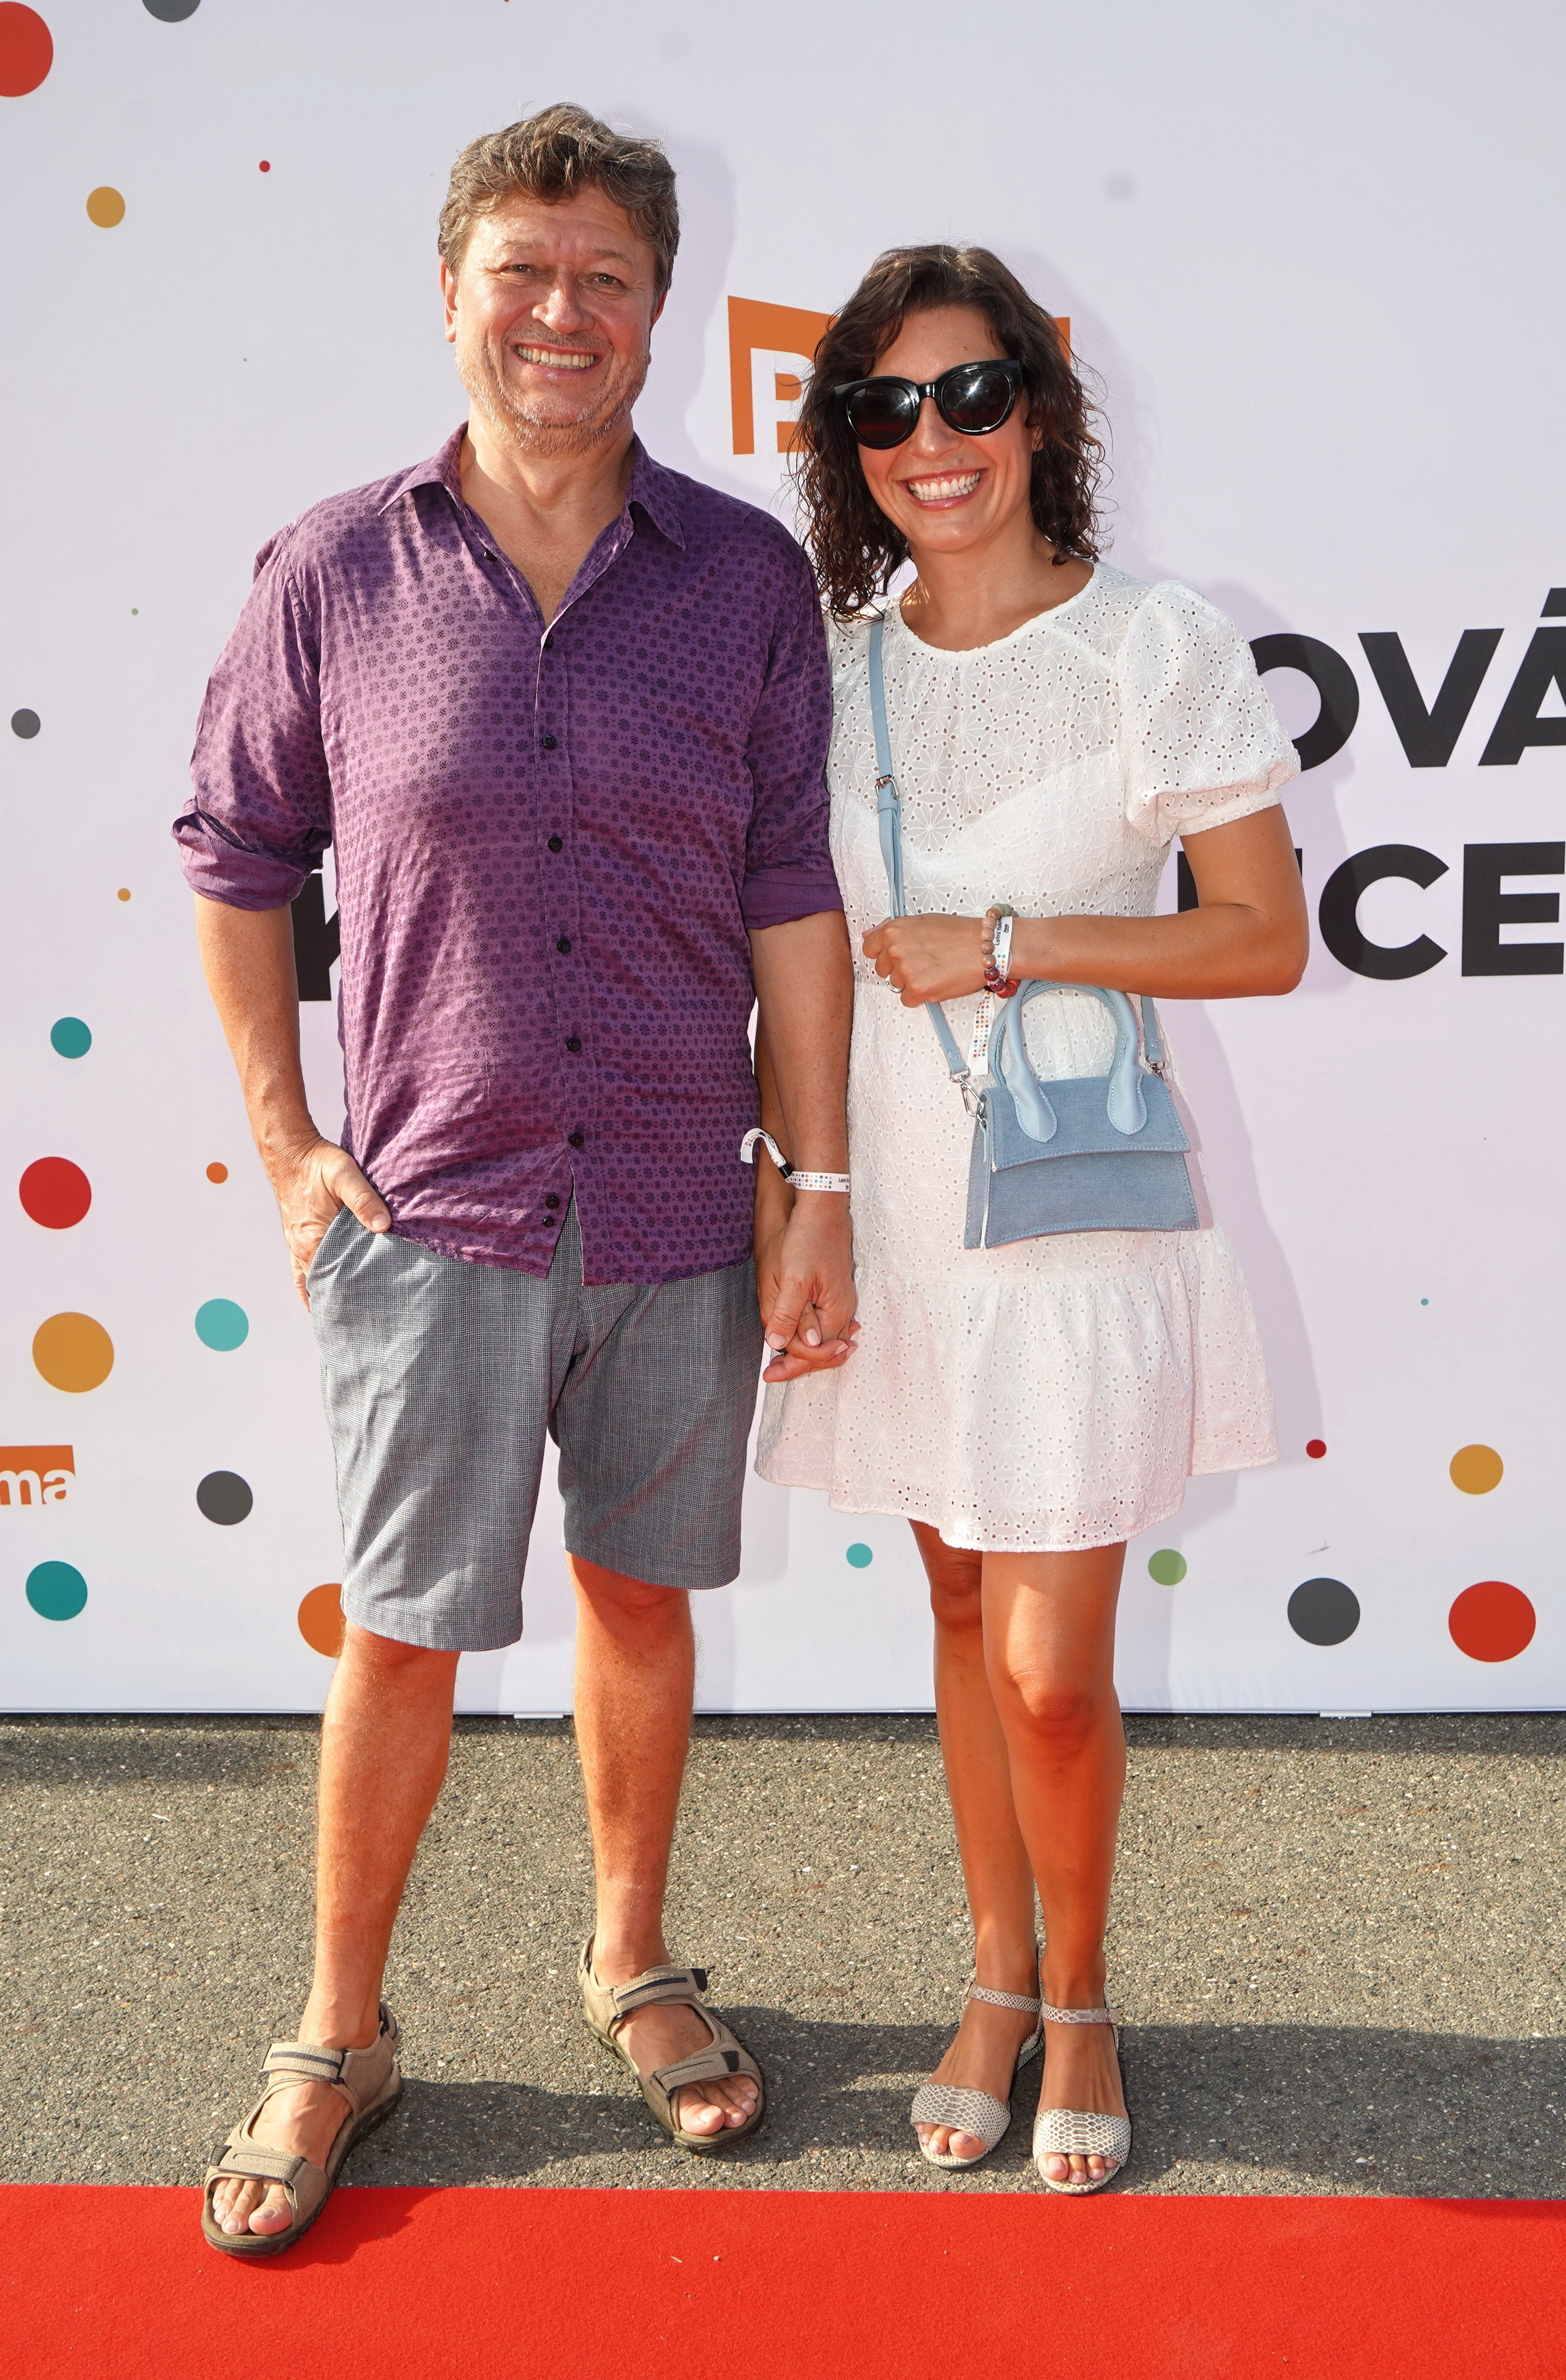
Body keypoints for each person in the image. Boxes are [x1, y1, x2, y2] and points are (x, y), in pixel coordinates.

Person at [177, 105, 857, 2255]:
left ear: (658, 310)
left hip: (675, 1196)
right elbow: (233, 856)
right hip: (431, 1208)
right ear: (453, 291)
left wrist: (816, 1176)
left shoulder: (743, 579)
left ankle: (630, 1958)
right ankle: (339, 2025)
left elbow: (790, 889)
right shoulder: (332, 570)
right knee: (400, 1631)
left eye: (606, 279)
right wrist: (288, 1144)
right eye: (524, 271)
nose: (563, 313)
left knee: (640, 1598)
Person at [755, 245, 1306, 2193]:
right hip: (894, 1203)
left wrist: (1009, 941)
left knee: (1053, 1665)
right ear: (848, 444)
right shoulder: (832, 667)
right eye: (885, 405)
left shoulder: (1157, 644)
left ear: (1041, 411)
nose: (936, 438)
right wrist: (797, 1193)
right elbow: (794, 961)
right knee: (959, 1605)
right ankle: (993, 1976)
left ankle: (1082, 1998)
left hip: (1070, 1209)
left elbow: (1262, 936)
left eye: (973, 393)